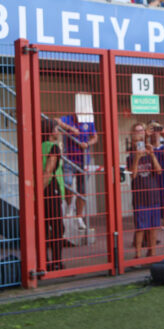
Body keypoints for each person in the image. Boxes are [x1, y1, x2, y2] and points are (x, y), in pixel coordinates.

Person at [56, 114, 98, 230]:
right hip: (69, 159)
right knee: (67, 184)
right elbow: (56, 120)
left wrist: (88, 144)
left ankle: (79, 216)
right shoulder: (68, 118)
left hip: (84, 160)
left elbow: (95, 137)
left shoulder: (89, 121)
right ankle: (69, 208)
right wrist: (70, 129)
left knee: (82, 189)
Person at [127, 122, 162, 259]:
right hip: (140, 196)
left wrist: (152, 155)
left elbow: (159, 171)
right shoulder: (131, 154)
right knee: (140, 227)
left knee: (154, 227)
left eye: (141, 130)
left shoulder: (149, 149)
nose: (139, 133)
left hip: (153, 195)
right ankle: (138, 255)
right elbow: (133, 175)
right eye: (136, 131)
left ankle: (152, 253)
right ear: (132, 134)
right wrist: (136, 158)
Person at [147, 120, 164, 254]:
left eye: (157, 129)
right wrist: (145, 136)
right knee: (150, 217)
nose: (155, 132)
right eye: (153, 129)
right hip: (150, 187)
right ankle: (150, 248)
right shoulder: (146, 147)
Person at [41, 117, 65, 271]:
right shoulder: (53, 148)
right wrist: (41, 189)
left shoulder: (38, 146)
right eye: (56, 129)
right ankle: (56, 262)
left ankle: (44, 261)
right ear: (51, 132)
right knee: (57, 227)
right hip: (50, 190)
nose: (58, 131)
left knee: (43, 227)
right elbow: (48, 171)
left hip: (41, 192)